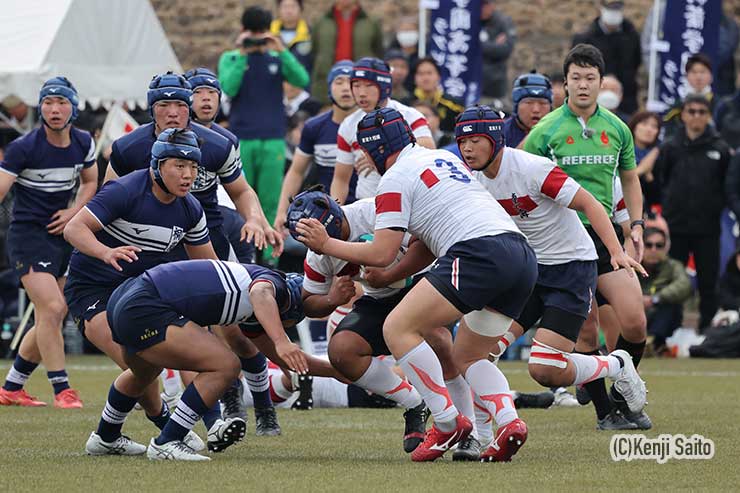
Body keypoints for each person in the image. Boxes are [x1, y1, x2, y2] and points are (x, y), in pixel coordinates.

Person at [296, 107, 537, 463]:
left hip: (477, 250)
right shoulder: (440, 157)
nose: (363, 157)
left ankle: (445, 421)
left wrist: (324, 244)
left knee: (399, 327)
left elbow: (382, 252)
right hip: (520, 255)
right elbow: (419, 243)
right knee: (468, 355)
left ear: (377, 147)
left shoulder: (394, 178)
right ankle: (508, 421)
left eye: (364, 149)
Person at [458, 105, 646, 430]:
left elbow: (588, 202)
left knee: (544, 370)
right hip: (524, 272)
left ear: (495, 138)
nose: (467, 148)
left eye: (475, 140)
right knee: (476, 352)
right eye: (462, 141)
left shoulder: (533, 168)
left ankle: (617, 364)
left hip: (570, 270)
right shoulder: (474, 183)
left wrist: (616, 251)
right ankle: (482, 432)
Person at [66, 128, 216, 452]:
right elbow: (73, 228)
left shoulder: (190, 209)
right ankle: (165, 425)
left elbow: (211, 266)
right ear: (157, 165)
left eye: (193, 167)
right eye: (179, 166)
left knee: (149, 361)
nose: (188, 174)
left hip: (140, 294)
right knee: (139, 362)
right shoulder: (125, 191)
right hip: (93, 289)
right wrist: (105, 252)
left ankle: (106, 437)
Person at [524, 44, 650, 430]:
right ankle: (605, 413)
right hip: (561, 240)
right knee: (586, 325)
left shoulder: (617, 128)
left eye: (590, 78)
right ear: (565, 84)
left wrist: (636, 226)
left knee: (635, 321)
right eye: (575, 78)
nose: (583, 85)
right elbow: (519, 179)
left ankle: (613, 387)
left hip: (605, 234)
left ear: (600, 83)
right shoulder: (544, 132)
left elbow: (629, 178)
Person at [290, 193, 473, 456]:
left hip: (424, 281)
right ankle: (413, 403)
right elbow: (308, 302)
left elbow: (426, 246)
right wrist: (331, 299)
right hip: (380, 298)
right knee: (342, 351)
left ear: (333, 221)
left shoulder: (375, 213)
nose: (320, 248)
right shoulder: (316, 253)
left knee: (439, 340)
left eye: (323, 239)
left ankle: (470, 431)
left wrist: (390, 275)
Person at [84, 260, 306, 461]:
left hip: (126, 296)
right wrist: (282, 341)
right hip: (144, 303)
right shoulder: (269, 286)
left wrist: (335, 371)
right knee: (225, 365)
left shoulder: (243, 281)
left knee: (144, 373)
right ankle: (168, 440)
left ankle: (106, 435)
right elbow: (261, 293)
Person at [0, 77, 98, 409]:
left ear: (74, 107)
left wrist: (75, 212)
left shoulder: (84, 142)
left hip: (62, 237)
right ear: (40, 107)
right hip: (27, 236)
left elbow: (91, 181)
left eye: (61, 102)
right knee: (53, 308)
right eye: (47, 103)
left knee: (51, 315)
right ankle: (63, 390)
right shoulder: (23, 147)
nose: (54, 109)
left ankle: (12, 388)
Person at [108, 72, 278, 261]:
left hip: (209, 233)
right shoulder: (128, 147)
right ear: (151, 109)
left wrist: (254, 219)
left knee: (236, 286)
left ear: (189, 108)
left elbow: (241, 191)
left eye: (180, 105)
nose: (173, 112)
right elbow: (107, 197)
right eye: (164, 105)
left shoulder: (219, 146)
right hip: (147, 238)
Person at [218, 6, 310, 260]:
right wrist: (243, 53)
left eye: (262, 32)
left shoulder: (277, 57)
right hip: (241, 139)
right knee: (238, 199)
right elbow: (229, 88)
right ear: (243, 31)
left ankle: (271, 258)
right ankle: (242, 254)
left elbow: (302, 79)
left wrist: (281, 50)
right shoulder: (231, 57)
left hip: (272, 138)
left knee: (269, 201)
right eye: (254, 32)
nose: (258, 37)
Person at [655, 94, 731, 331]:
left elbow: (726, 185)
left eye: (701, 111)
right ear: (683, 114)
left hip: (707, 228)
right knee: (673, 282)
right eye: (691, 111)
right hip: (675, 227)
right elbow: (661, 180)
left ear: (708, 116)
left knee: (708, 282)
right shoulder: (670, 146)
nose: (696, 116)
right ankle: (668, 331)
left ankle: (706, 330)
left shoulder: (720, 148)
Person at [330, 57, 434, 203]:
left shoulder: (410, 115)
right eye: (356, 85)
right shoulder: (348, 124)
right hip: (367, 204)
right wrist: (336, 209)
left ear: (384, 87)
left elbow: (429, 149)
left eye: (368, 86)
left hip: (408, 201)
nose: (361, 93)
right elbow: (340, 179)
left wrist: (380, 156)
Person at [274, 61, 357, 236]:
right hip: (326, 215)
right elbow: (296, 172)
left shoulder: (372, 126)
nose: (345, 88)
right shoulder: (314, 127)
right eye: (339, 82)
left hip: (367, 210)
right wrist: (282, 211)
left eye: (351, 82)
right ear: (329, 88)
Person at [572, 0, 640, 116]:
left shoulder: (631, 36)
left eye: (617, 8)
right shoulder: (585, 38)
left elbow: (636, 62)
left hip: (625, 100)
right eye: (610, 8)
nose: (614, 12)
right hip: (591, 95)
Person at [310, 0, 383, 106]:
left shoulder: (371, 22)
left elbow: (378, 53)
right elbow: (314, 52)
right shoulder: (321, 22)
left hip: (362, 87)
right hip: (325, 87)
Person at [640, 227, 692, 354]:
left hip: (660, 318)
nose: (654, 250)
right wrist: (637, 301)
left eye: (659, 245)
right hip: (634, 314)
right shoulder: (630, 264)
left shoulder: (673, 266)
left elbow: (684, 285)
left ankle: (652, 342)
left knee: (669, 304)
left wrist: (655, 299)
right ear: (640, 245)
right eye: (649, 245)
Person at [410, 57, 465, 135]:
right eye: (421, 74)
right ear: (414, 78)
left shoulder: (454, 105)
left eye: (429, 73)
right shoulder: (406, 104)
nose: (425, 78)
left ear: (439, 76)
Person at [479, 0, 517, 103]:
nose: (482, 8)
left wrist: (478, 45)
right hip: (473, 83)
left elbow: (505, 50)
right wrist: (493, 44)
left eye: (485, 4)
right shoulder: (470, 21)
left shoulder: (503, 21)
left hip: (496, 84)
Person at [503, 72, 552, 148]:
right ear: (516, 106)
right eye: (528, 103)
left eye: (543, 103)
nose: (536, 110)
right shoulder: (500, 133)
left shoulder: (560, 131)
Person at [628, 111, 662, 210]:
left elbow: (657, 197)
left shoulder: (660, 155)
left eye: (654, 126)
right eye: (644, 124)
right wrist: (642, 169)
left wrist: (648, 176)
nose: (649, 129)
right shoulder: (622, 151)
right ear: (634, 127)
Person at [270, 0, 313, 75]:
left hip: (301, 83)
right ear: (278, 9)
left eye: (293, 7)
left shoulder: (310, 34)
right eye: (285, 7)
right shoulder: (269, 35)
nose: (289, 11)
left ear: (300, 9)